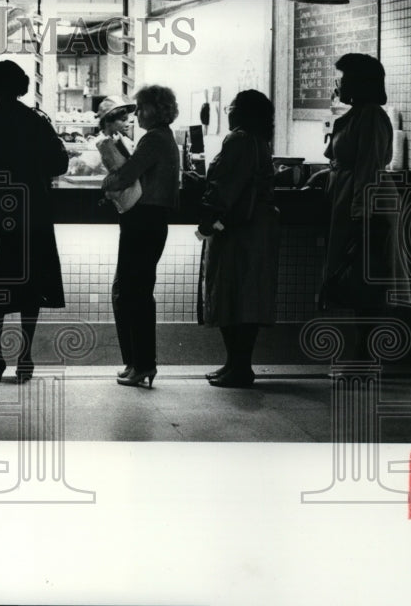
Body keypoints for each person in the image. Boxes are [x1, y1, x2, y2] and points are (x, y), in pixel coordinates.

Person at [0, 60, 68, 383]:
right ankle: (26, 357)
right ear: (20, 87)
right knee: (30, 288)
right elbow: (60, 163)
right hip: (33, 213)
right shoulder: (37, 122)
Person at [320, 53, 405, 358]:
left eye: (340, 78)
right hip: (356, 201)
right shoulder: (359, 114)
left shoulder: (369, 116)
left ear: (357, 82)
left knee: (364, 276)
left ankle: (364, 354)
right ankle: (362, 352)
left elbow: (367, 168)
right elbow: (347, 161)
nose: (336, 84)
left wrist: (360, 214)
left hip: (367, 205)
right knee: (361, 276)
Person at [197, 90, 280, 388]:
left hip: (237, 229)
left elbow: (225, 185)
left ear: (241, 113)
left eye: (232, 107)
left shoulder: (239, 140)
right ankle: (236, 364)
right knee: (248, 296)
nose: (228, 112)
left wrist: (208, 216)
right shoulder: (260, 141)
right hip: (258, 228)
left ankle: (238, 368)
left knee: (230, 294)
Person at [103, 84, 181, 388]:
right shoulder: (164, 138)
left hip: (143, 219)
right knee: (132, 290)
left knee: (132, 292)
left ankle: (143, 363)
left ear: (154, 109)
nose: (137, 115)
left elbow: (126, 174)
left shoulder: (153, 139)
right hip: (152, 220)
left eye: (142, 108)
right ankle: (137, 362)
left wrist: (107, 181)